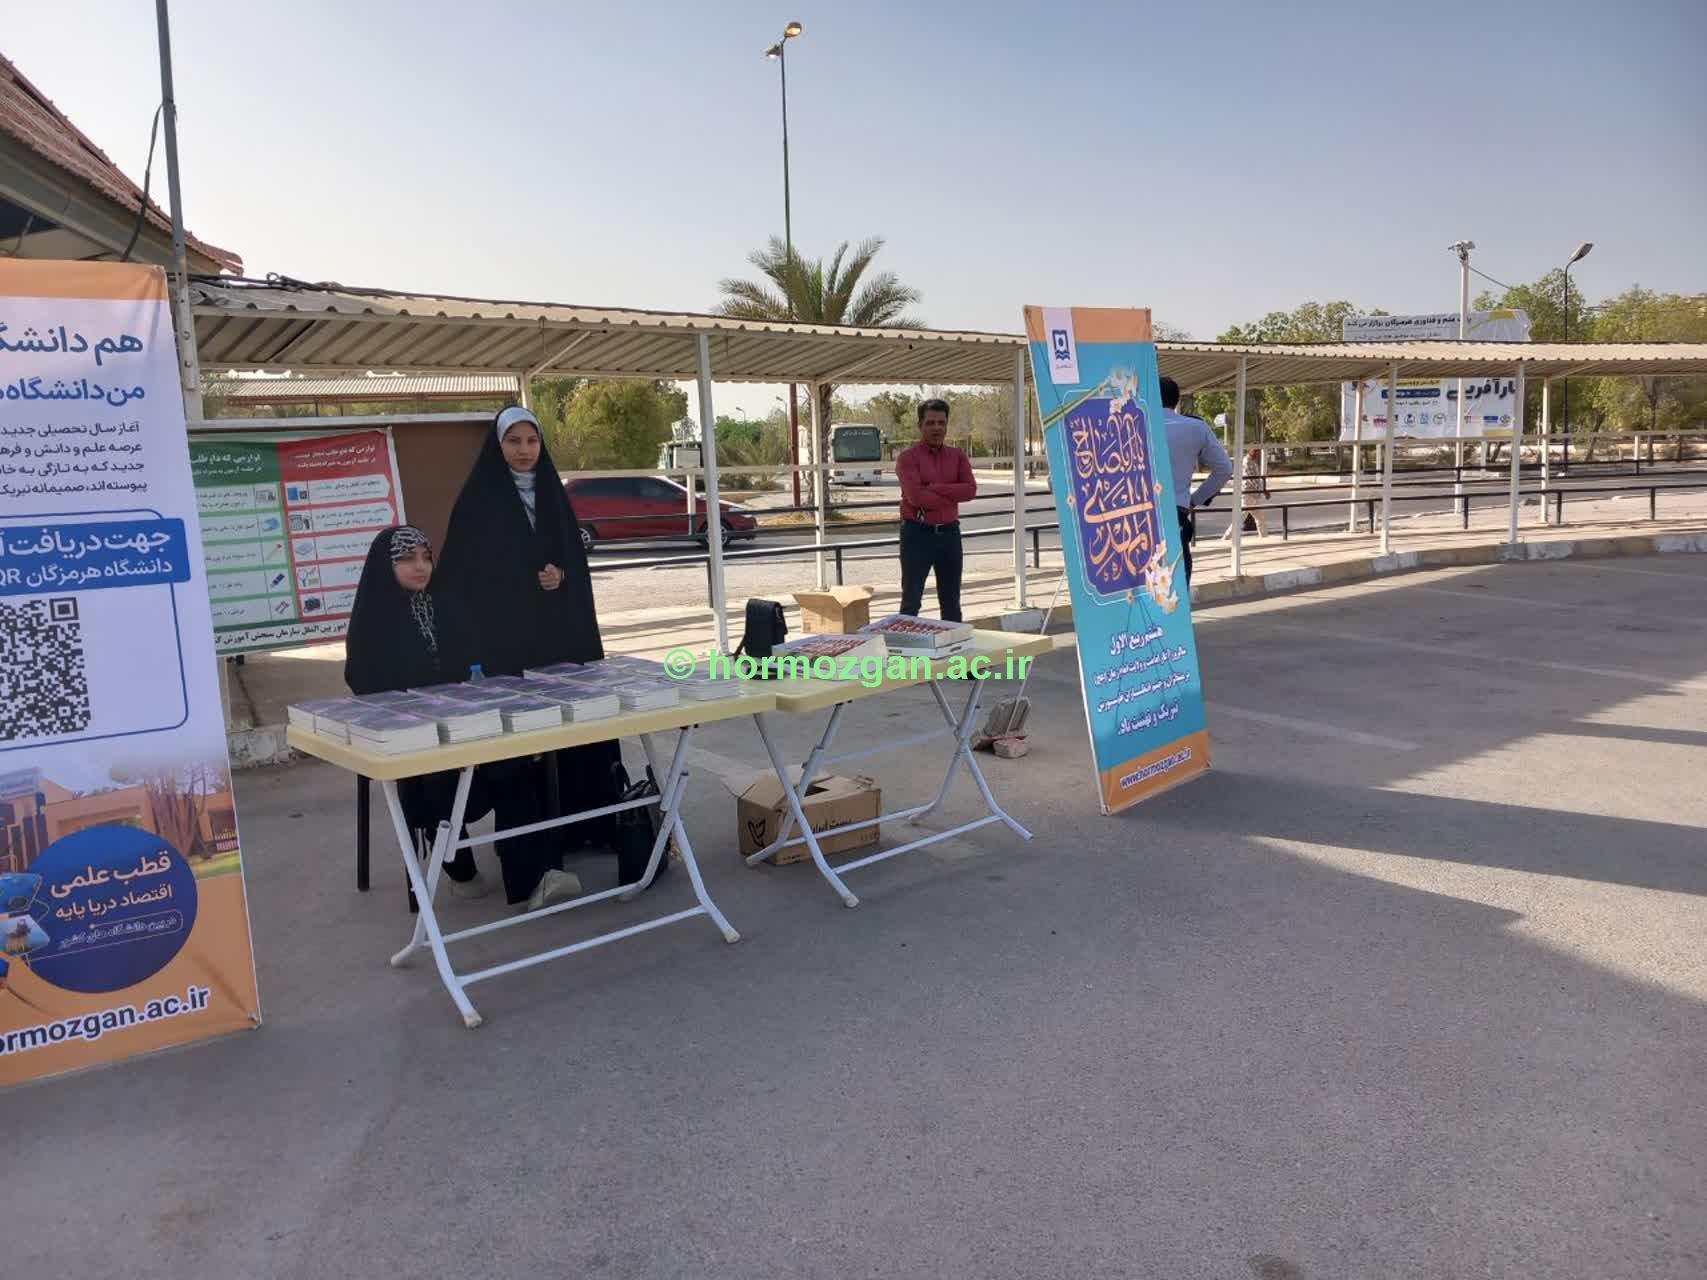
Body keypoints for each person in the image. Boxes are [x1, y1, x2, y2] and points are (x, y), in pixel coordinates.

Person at [434, 405, 620, 893]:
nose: (523, 450)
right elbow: (458, 576)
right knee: (522, 748)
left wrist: (562, 573)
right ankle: (527, 845)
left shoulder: (553, 494)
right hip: (504, 644)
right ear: (498, 446)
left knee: (574, 734)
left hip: (556, 639)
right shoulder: (478, 500)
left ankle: (582, 827)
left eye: (531, 441)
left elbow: (572, 558)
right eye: (513, 441)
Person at [344, 525, 561, 909]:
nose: (420, 566)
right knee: (438, 781)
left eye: (426, 557)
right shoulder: (373, 618)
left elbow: (475, 659)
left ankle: (531, 879)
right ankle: (460, 869)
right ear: (385, 566)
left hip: (466, 722)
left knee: (516, 762)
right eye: (407, 559)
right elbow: (363, 681)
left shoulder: (446, 603)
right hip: (414, 735)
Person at [895, 398, 977, 620]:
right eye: (930, 423)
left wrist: (935, 488)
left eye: (941, 423)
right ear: (920, 425)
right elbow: (915, 497)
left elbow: (970, 490)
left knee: (952, 603)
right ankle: (906, 644)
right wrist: (952, 494)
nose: (937, 428)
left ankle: (954, 643)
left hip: (950, 534)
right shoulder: (907, 459)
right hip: (917, 535)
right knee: (911, 602)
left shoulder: (958, 456)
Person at [1160, 377, 1233, 582]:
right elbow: (1224, 469)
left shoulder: (1132, 424)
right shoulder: (1195, 427)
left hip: (1132, 518)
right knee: (1174, 589)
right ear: (1176, 400)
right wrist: (1195, 500)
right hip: (1175, 515)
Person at [1221, 447, 1269, 540]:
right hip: (1248, 493)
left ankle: (1264, 537)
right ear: (1250, 451)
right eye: (1255, 451)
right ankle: (1227, 537)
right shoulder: (1247, 462)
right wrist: (1261, 490)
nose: (1257, 454)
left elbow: (1256, 479)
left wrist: (1262, 490)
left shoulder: (1253, 462)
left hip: (1255, 494)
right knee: (1241, 517)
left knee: (1260, 517)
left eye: (1258, 452)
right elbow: (1251, 479)